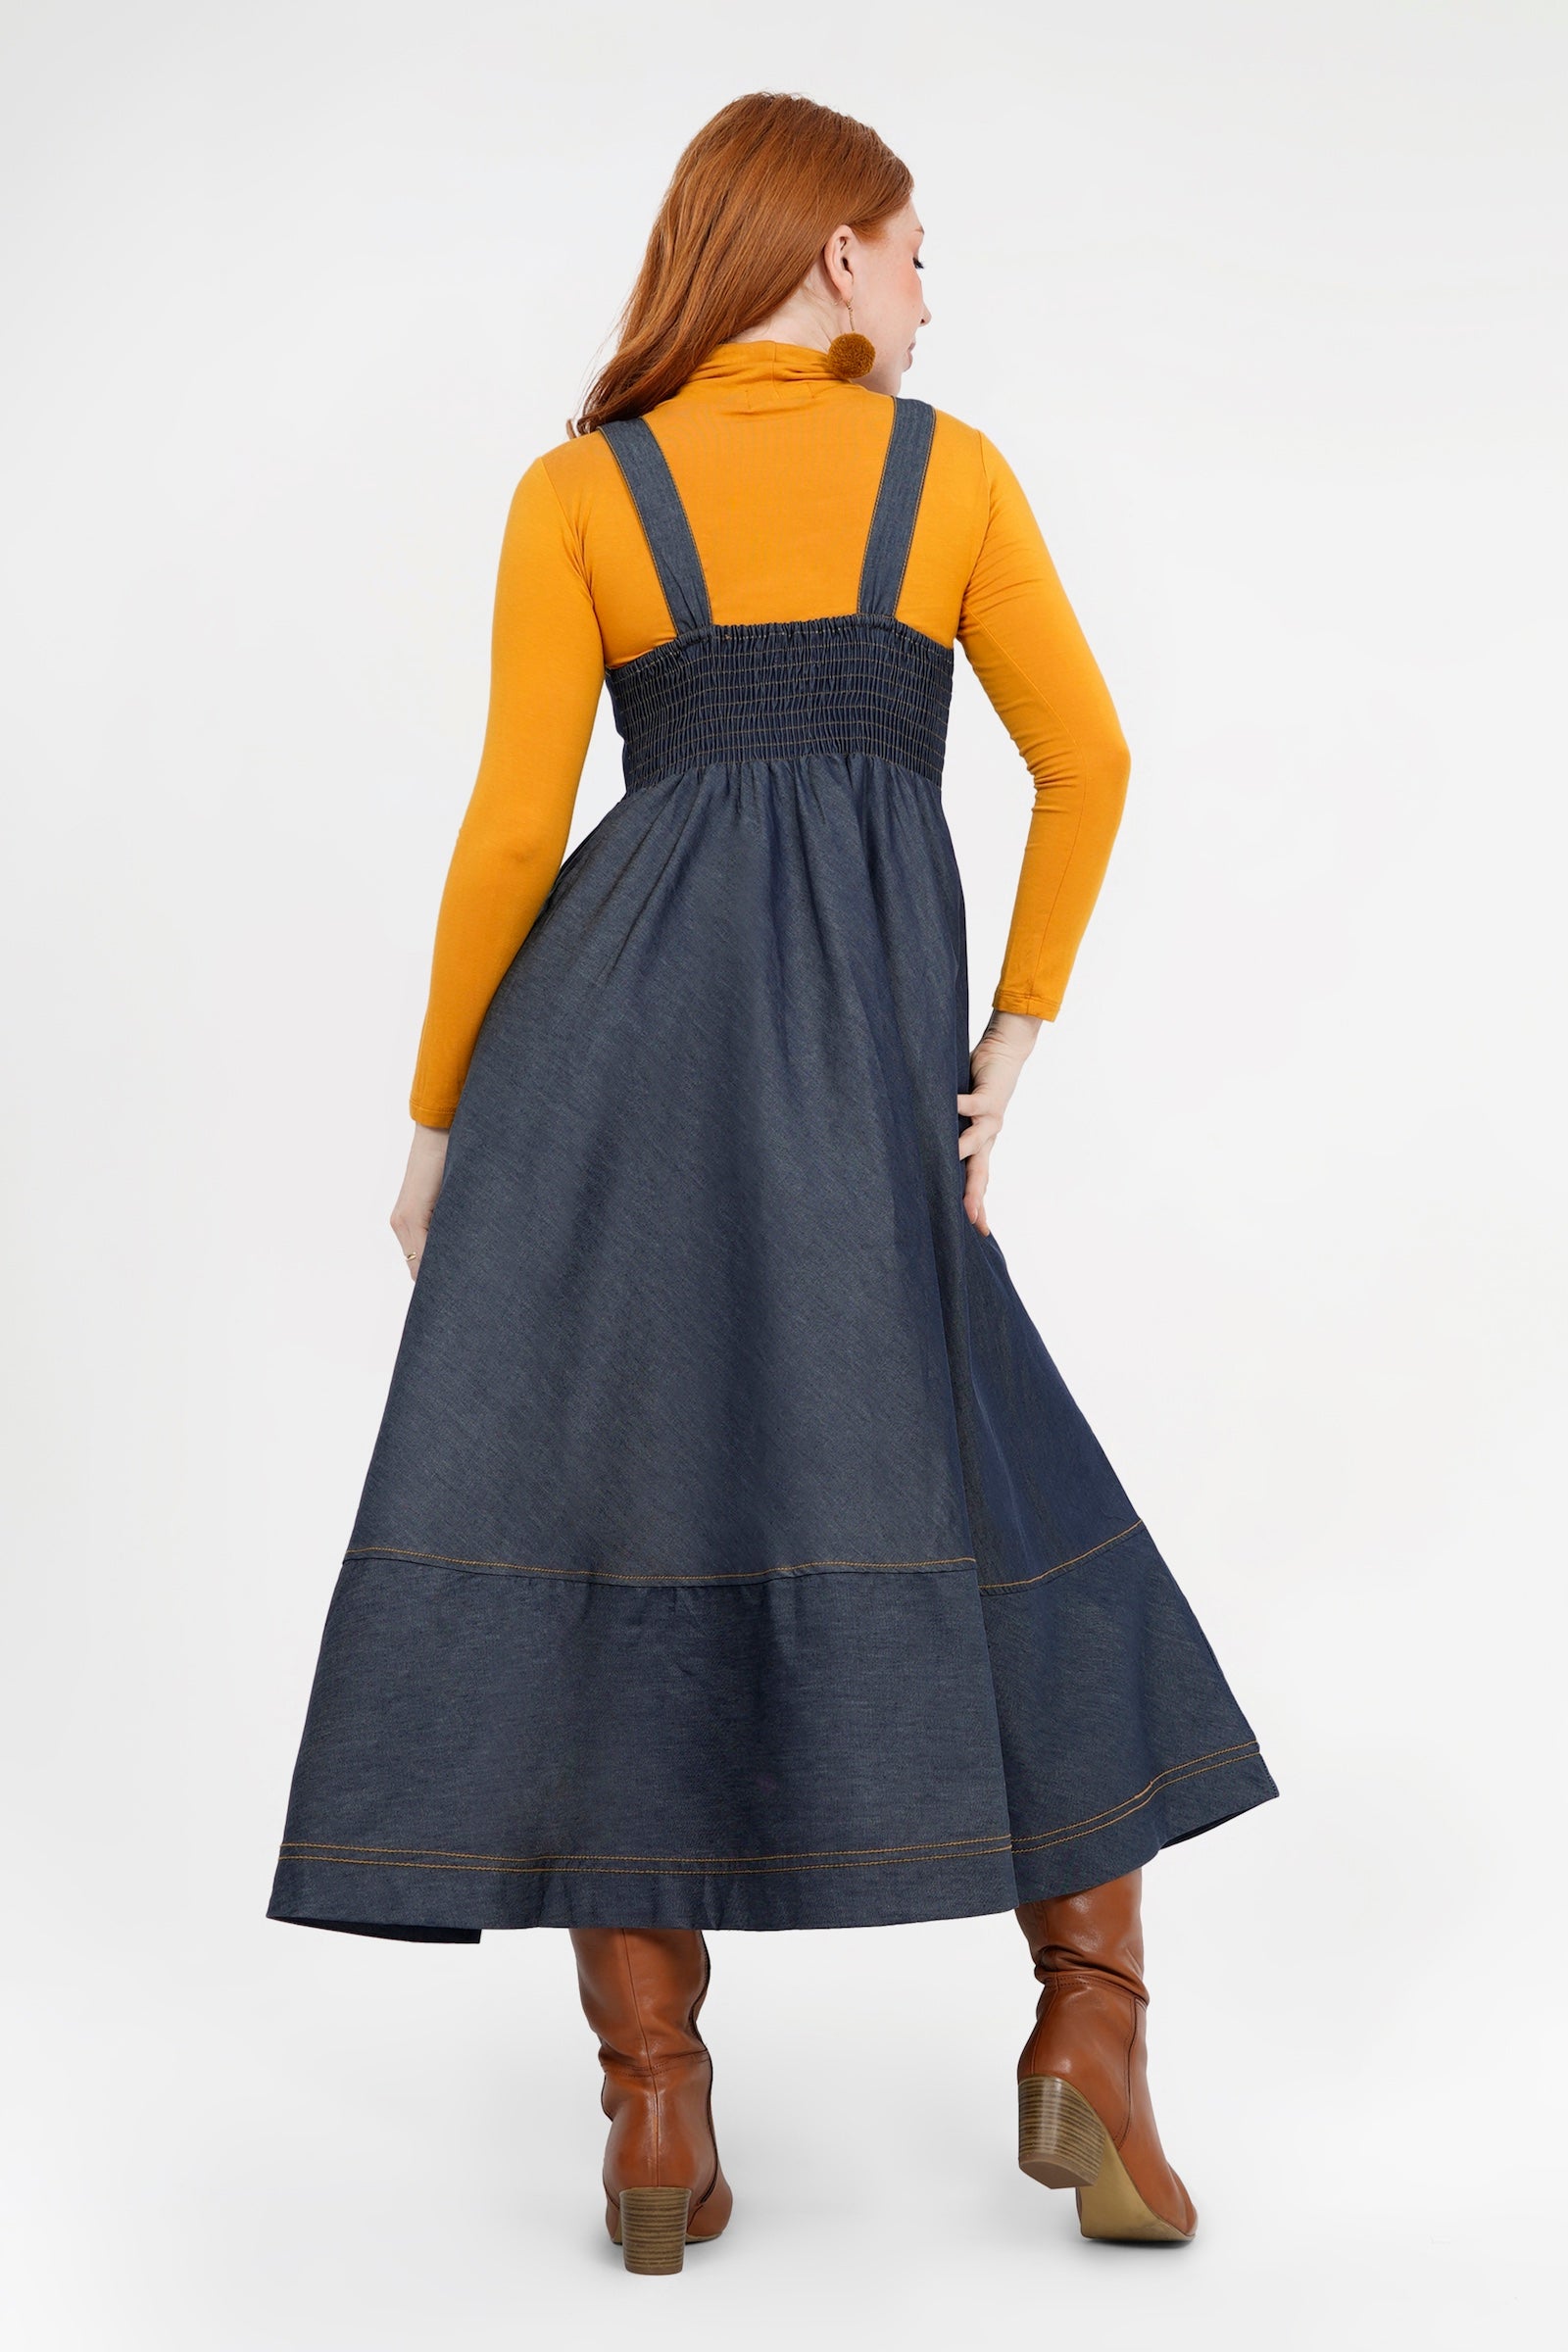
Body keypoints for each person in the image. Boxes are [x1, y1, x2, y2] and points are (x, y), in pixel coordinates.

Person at [267, 90, 1280, 2272]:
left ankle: (653, 2106)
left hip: (598, 1083)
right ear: (832, 255)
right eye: (913, 251)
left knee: (615, 1524)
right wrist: (1006, 1041)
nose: (925, 293)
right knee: (1006, 1507)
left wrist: (443, 1121)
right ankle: (1088, 2033)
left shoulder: (583, 491)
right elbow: (1088, 758)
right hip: (861, 1092)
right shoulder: (947, 477)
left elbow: (514, 833)